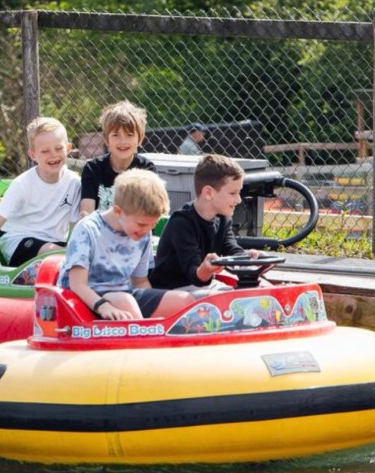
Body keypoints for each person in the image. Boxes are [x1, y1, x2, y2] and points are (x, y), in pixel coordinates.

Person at [58, 169, 193, 320]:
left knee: (184, 301)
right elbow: (77, 285)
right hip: (85, 300)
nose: (146, 230)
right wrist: (103, 306)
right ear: (118, 211)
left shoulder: (143, 233)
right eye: (141, 224)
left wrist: (151, 308)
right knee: (126, 302)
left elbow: (140, 281)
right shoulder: (88, 229)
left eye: (152, 226)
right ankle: (144, 338)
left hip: (123, 294)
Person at [0, 117, 81, 271]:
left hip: (55, 244)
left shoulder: (75, 183)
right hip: (20, 242)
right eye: (45, 151)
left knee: (75, 254)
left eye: (58, 148)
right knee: (62, 254)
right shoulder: (22, 184)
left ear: (68, 148)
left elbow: (77, 227)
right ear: (33, 154)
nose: (53, 155)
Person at [149, 154, 260, 294]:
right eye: (233, 193)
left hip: (202, 286)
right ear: (208, 193)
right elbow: (194, 274)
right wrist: (206, 269)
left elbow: (231, 248)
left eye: (239, 193)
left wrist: (246, 258)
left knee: (257, 290)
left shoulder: (223, 219)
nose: (238, 200)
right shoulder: (182, 223)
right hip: (173, 290)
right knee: (227, 300)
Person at [80, 100, 156, 218]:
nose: (123, 142)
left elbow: (149, 211)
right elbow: (86, 213)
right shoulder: (93, 169)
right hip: (100, 232)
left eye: (129, 135)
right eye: (116, 135)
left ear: (140, 139)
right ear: (106, 139)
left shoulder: (146, 169)